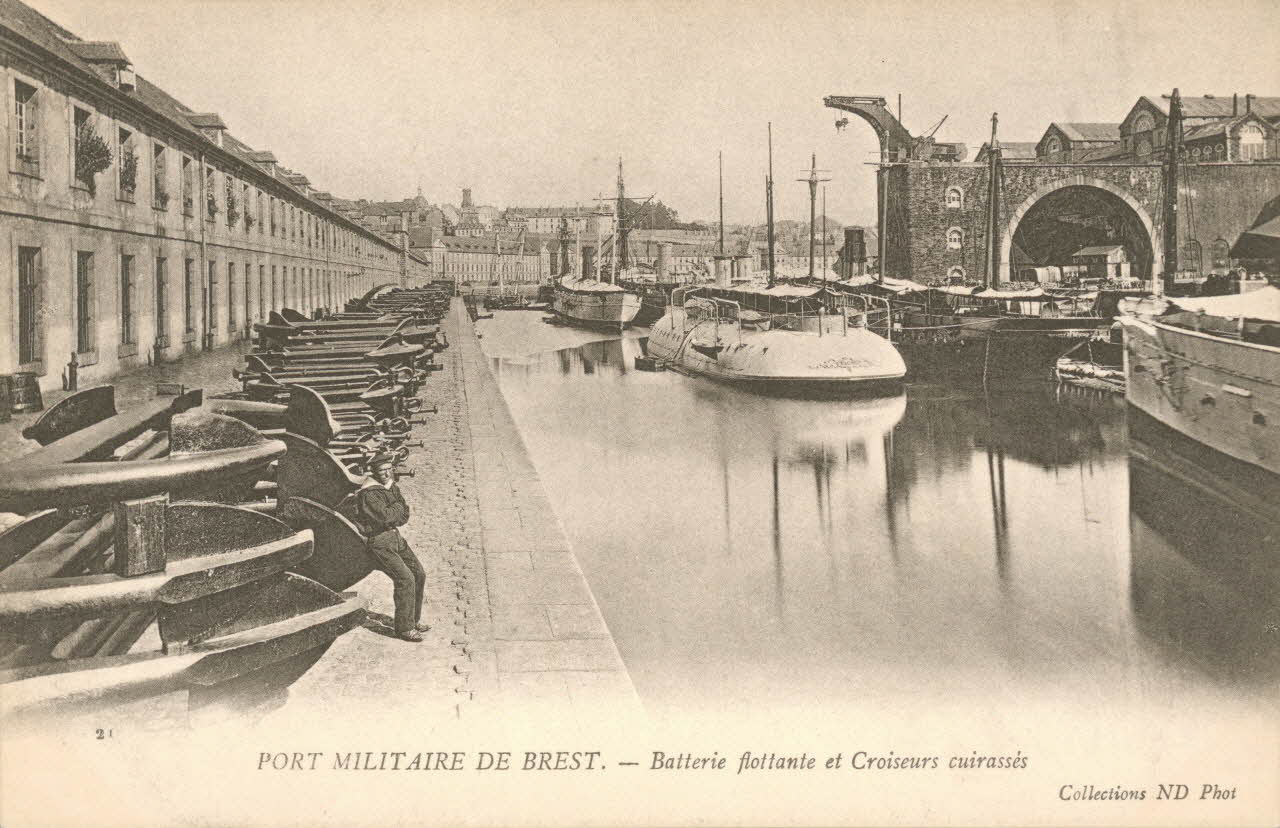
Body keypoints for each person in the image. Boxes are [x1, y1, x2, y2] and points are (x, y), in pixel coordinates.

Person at [344, 452, 428, 642]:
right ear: (374, 472)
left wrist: (395, 510)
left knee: (419, 574)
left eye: (389, 469)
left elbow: (404, 514)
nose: (386, 473)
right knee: (405, 579)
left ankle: (413, 620)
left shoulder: (390, 487)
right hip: (379, 542)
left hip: (394, 537)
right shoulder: (369, 493)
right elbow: (387, 517)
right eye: (382, 470)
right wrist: (396, 509)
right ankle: (404, 629)